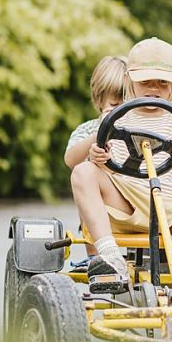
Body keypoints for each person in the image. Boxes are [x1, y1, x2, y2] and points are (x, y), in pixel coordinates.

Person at [70, 37, 172, 307]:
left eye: (162, 83)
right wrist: (98, 157)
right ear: (130, 81)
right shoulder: (116, 117)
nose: (153, 89)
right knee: (83, 172)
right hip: (128, 198)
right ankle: (109, 257)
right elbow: (100, 161)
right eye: (145, 82)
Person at [64, 55, 127, 257]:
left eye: (127, 102)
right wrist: (101, 130)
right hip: (102, 204)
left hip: (135, 199)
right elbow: (71, 160)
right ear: (100, 100)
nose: (121, 109)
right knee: (85, 179)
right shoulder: (89, 129)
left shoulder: (143, 129)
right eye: (115, 103)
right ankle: (98, 258)